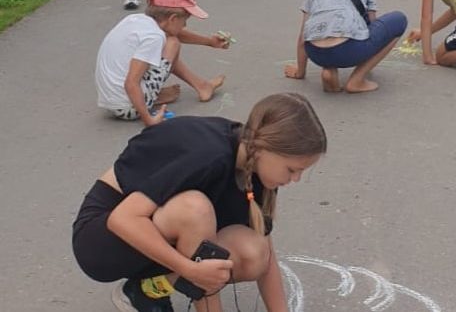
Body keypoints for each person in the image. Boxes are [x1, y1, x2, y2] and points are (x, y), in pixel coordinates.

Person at [72, 92, 327, 312]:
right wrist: (190, 270)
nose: (296, 179)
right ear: (263, 148)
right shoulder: (208, 154)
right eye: (292, 170)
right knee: (195, 210)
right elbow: (122, 219)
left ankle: (145, 292)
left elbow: (267, 257)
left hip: (149, 232)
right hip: (101, 239)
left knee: (254, 252)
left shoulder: (256, 165)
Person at [95, 0, 228, 126]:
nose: (185, 25)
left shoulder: (136, 20)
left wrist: (209, 41)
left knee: (170, 41)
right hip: (128, 109)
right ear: (172, 19)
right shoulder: (154, 37)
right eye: (185, 20)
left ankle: (201, 86)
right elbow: (131, 83)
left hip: (112, 101)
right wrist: (149, 121)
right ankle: (151, 99)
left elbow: (173, 31)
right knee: (173, 44)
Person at [285, 0, 407, 93]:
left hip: (315, 52)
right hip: (348, 50)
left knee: (325, 29)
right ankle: (357, 79)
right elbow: (373, 24)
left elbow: (302, 36)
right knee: (399, 20)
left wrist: (300, 72)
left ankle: (329, 70)